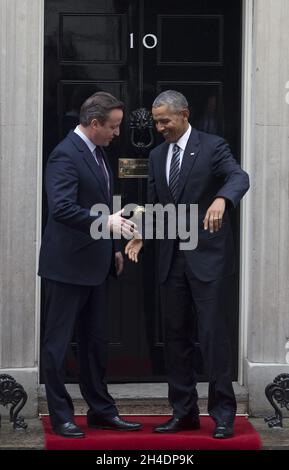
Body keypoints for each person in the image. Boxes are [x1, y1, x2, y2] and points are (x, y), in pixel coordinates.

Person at [125, 90, 249, 439]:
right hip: (171, 261)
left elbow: (239, 177)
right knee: (176, 340)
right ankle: (184, 413)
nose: (160, 127)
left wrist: (222, 199)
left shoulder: (213, 146)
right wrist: (142, 234)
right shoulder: (156, 155)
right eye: (157, 121)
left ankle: (223, 414)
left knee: (212, 338)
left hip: (207, 260)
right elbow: (153, 205)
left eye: (165, 120)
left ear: (185, 114)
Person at [38, 91, 142, 438]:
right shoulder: (65, 156)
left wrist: (112, 245)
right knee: (57, 345)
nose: (116, 133)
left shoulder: (98, 154)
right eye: (113, 126)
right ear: (94, 123)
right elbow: (62, 209)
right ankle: (61, 416)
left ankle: (101, 411)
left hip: (97, 265)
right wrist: (108, 226)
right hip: (66, 267)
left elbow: (103, 205)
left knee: (95, 343)